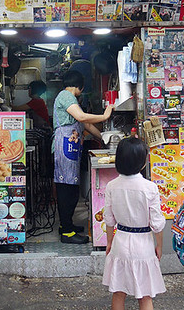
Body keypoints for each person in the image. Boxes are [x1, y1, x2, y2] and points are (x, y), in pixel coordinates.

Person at [102, 138, 166, 310]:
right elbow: (157, 224)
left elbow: (109, 219)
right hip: (143, 243)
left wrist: (109, 242)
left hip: (120, 241)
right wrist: (159, 245)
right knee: (145, 295)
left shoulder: (111, 186)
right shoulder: (150, 188)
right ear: (142, 162)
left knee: (118, 292)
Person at [53, 70, 113, 244]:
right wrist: (104, 115)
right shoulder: (66, 96)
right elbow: (81, 117)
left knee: (71, 187)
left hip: (70, 147)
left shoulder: (70, 99)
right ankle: (67, 233)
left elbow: (84, 123)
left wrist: (102, 137)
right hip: (64, 146)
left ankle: (67, 225)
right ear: (79, 85)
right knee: (66, 188)